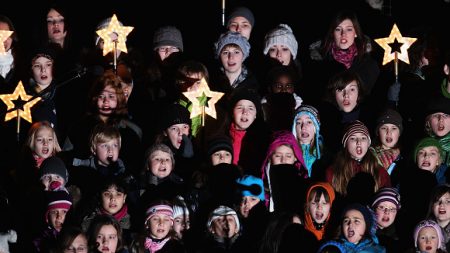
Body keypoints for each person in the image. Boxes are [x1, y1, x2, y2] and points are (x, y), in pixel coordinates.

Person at [65, 71, 143, 177]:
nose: (106, 101)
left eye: (111, 96)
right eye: (101, 96)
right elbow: (67, 158)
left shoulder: (130, 132)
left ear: (118, 99)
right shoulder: (79, 128)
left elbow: (136, 166)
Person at [304, 9, 379, 104]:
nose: (343, 34)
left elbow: (371, 101)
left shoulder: (369, 66)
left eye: (349, 29)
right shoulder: (319, 64)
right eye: (338, 29)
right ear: (332, 33)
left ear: (355, 32)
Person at [326, 120, 391, 197]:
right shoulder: (333, 172)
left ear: (368, 143)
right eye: (353, 138)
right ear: (346, 143)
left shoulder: (380, 172)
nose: (358, 142)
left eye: (363, 138)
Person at [260, 130, 307, 212]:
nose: (283, 160)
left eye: (288, 156)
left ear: (296, 157)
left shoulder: (303, 184)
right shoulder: (262, 183)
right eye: (278, 156)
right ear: (270, 157)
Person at [80, 177, 132, 247]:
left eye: (118, 194)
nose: (113, 199)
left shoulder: (132, 223)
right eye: (107, 194)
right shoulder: (88, 222)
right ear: (100, 196)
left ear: (124, 198)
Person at [210, 31, 259, 97]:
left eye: (236, 52)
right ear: (219, 56)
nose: (231, 57)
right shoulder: (210, 84)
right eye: (225, 52)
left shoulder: (255, 86)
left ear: (243, 56)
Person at [292, 104, 333, 180]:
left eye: (309, 122)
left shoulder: (327, 157)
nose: (303, 127)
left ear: (316, 128)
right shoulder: (288, 155)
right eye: (298, 122)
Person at [369, 109, 404, 177]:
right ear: (378, 132)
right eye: (384, 128)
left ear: (399, 133)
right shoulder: (369, 157)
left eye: (393, 128)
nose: (388, 132)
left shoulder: (405, 158)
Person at [371, 187, 401, 253]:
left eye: (392, 209)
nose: (387, 212)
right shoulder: (367, 233)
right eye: (382, 207)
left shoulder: (398, 234)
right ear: (373, 209)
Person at [427, 184, 450, 250]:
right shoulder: (421, 230)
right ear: (432, 206)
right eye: (437, 201)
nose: (441, 205)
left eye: (448, 201)